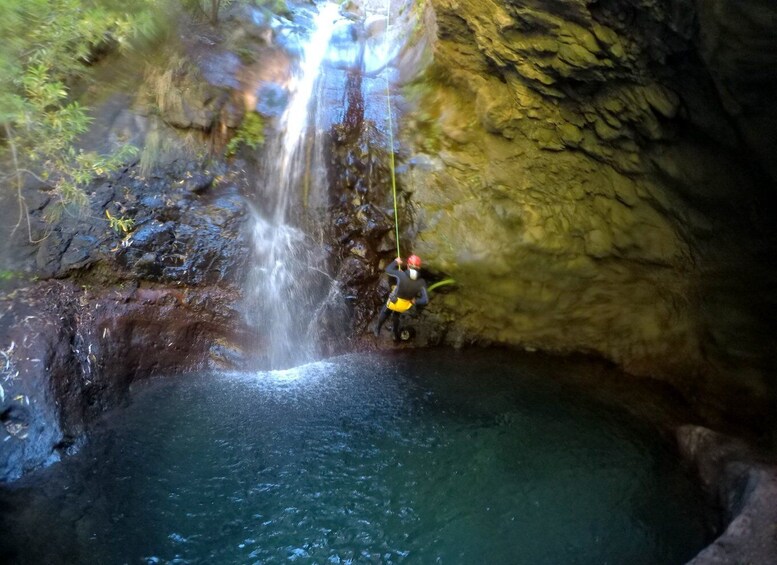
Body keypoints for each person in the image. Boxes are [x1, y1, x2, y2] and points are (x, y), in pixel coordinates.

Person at [374, 254, 428, 341]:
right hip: (405, 306)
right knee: (396, 315)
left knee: (386, 311)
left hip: (394, 302)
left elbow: (388, 270)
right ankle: (395, 334)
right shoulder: (422, 282)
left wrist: (396, 262)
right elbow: (425, 300)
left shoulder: (401, 275)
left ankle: (377, 329)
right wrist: (415, 301)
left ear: (408, 266)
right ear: (419, 268)